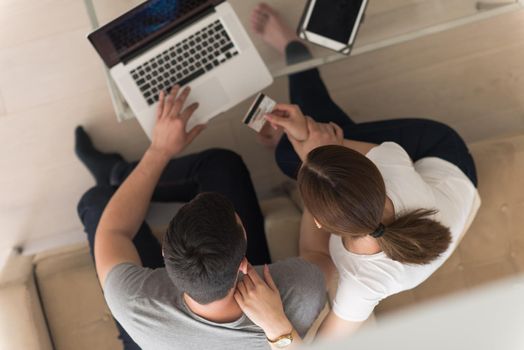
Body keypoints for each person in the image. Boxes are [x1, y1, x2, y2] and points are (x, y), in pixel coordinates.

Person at [235, 3, 480, 344]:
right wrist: (305, 137)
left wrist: (277, 327)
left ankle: (295, 65)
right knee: (299, 146)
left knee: (299, 145)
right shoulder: (392, 163)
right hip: (443, 154)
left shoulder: (361, 284)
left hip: (449, 201)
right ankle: (294, 49)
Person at [75, 85, 326, 350]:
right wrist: (314, 160)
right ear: (243, 263)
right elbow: (321, 257)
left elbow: (113, 231)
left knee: (96, 201)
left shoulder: (133, 301)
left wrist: (159, 151)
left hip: (152, 339)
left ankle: (118, 173)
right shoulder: (295, 293)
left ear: (165, 254)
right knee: (222, 165)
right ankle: (122, 174)